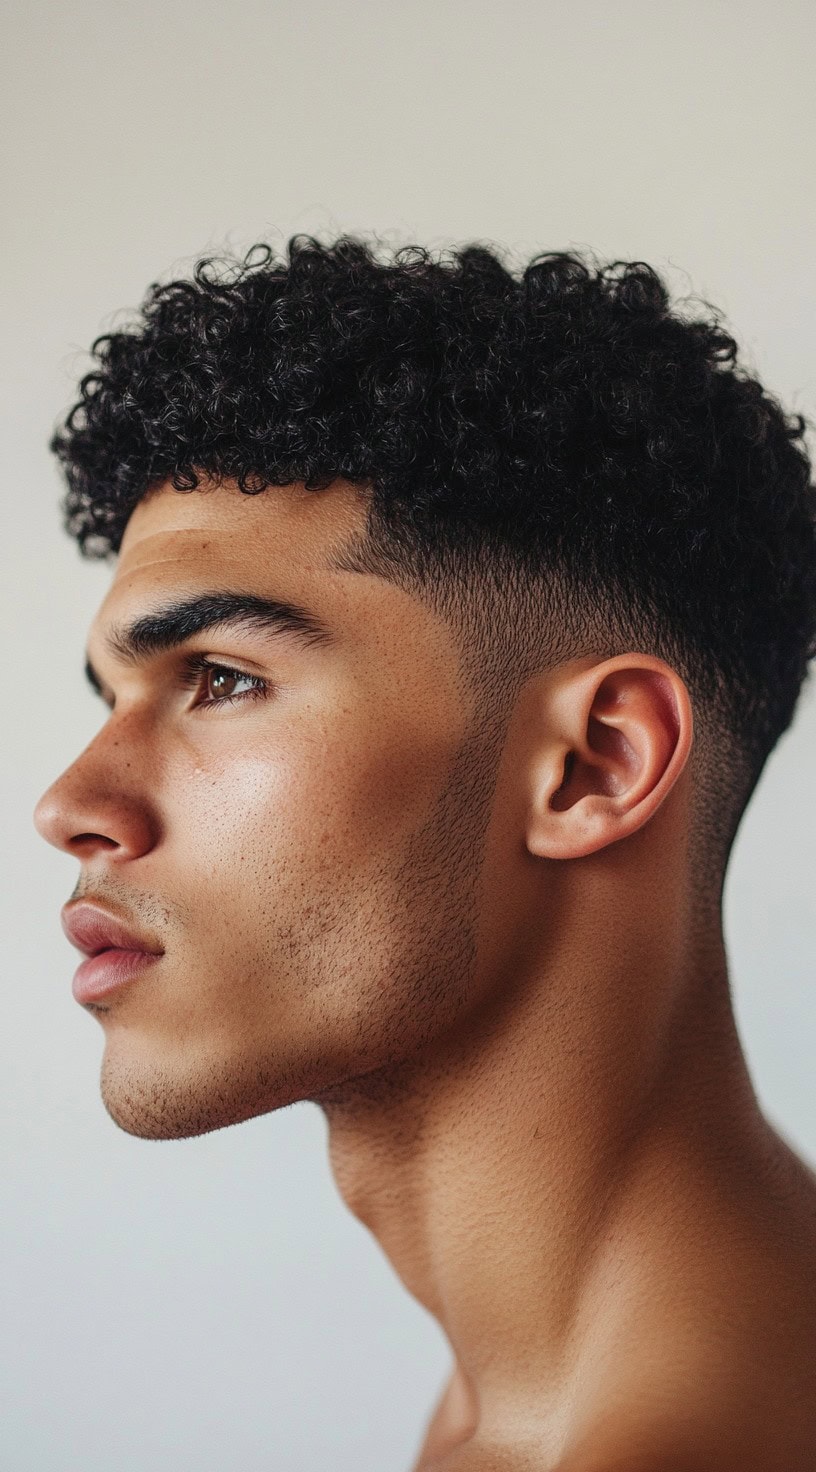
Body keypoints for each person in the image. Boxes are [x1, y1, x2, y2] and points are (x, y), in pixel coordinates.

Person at [34, 236, 816, 1471]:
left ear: (593, 764)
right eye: (113, 694)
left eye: (223, 679)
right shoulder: (524, 1410)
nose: (72, 802)